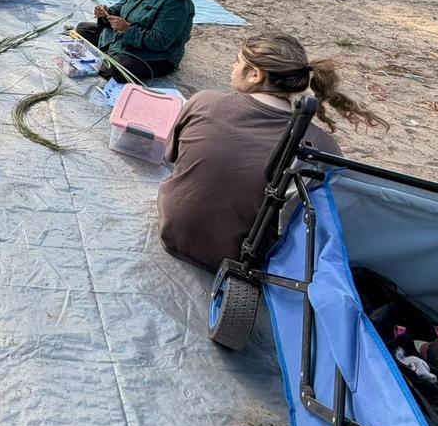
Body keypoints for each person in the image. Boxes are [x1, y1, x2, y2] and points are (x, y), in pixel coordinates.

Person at [157, 32, 386, 272]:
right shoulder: (321, 146)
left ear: (255, 74)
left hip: (172, 231)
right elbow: (321, 216)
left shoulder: (204, 102)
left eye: (237, 61)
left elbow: (171, 156)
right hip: (242, 259)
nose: (232, 66)